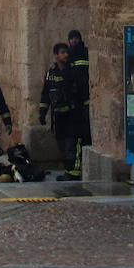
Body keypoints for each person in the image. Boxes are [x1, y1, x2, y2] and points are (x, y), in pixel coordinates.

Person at [38, 42, 85, 181]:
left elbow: (80, 91)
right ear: (56, 55)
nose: (65, 55)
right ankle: (67, 170)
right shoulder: (51, 73)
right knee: (62, 144)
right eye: (63, 52)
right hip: (58, 115)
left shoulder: (72, 71)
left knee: (72, 144)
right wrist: (42, 112)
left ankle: (73, 173)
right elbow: (46, 94)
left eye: (67, 52)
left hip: (72, 115)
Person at [67, 29, 93, 148]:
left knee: (86, 120)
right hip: (74, 94)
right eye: (72, 38)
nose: (74, 40)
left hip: (85, 92)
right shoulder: (68, 55)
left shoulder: (85, 52)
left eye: (76, 38)